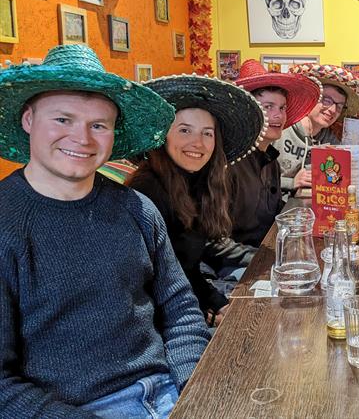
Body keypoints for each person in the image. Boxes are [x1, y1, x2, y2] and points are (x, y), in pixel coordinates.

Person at [0, 45, 209, 417]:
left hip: (170, 389)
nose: (82, 139)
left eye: (99, 125)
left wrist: (195, 390)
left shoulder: (137, 209)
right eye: (63, 120)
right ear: (28, 119)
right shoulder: (7, 224)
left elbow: (180, 308)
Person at [128, 74, 266, 327]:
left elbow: (184, 266)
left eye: (207, 133)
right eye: (184, 130)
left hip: (186, 301)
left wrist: (215, 300)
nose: (198, 143)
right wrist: (202, 309)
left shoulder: (200, 182)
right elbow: (155, 280)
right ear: (163, 136)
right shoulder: (147, 191)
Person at [225, 59, 322, 248]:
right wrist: (264, 259)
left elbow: (274, 215)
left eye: (282, 108)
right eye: (268, 107)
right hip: (232, 268)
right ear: (247, 112)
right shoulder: (229, 163)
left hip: (267, 250)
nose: (278, 115)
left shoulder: (271, 161)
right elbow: (215, 244)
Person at [277, 63, 359, 194]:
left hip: (308, 208)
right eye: (327, 100)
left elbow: (337, 177)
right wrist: (291, 182)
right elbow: (255, 179)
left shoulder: (330, 140)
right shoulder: (281, 130)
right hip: (276, 211)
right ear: (311, 98)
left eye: (339, 106)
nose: (332, 110)